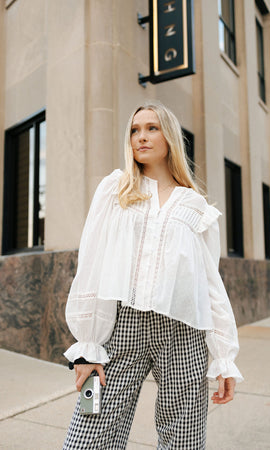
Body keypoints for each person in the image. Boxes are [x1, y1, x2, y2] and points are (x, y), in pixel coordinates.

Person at [62, 101, 243, 450]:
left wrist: (224, 357)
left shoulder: (196, 207)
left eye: (151, 128)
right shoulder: (115, 189)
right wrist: (87, 346)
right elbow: (92, 263)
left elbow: (209, 285)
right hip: (122, 327)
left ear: (170, 136)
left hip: (183, 332)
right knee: (86, 431)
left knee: (184, 438)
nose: (141, 137)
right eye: (134, 130)